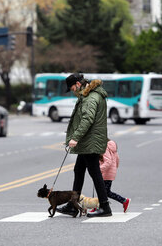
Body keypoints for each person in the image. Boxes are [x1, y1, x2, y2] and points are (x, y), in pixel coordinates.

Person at [56, 73, 112, 217]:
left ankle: (105, 207)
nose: (73, 91)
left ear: (78, 84)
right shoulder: (88, 96)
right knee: (79, 170)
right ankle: (73, 206)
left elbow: (88, 119)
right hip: (88, 141)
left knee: (94, 172)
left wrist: (75, 137)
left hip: (90, 141)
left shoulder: (90, 98)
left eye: (73, 87)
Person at [99, 139, 130, 213]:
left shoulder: (105, 148)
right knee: (103, 191)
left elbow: (108, 161)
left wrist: (99, 170)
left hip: (106, 173)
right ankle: (99, 206)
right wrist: (114, 169)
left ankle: (124, 200)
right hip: (110, 172)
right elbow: (117, 159)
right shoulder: (112, 148)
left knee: (105, 192)